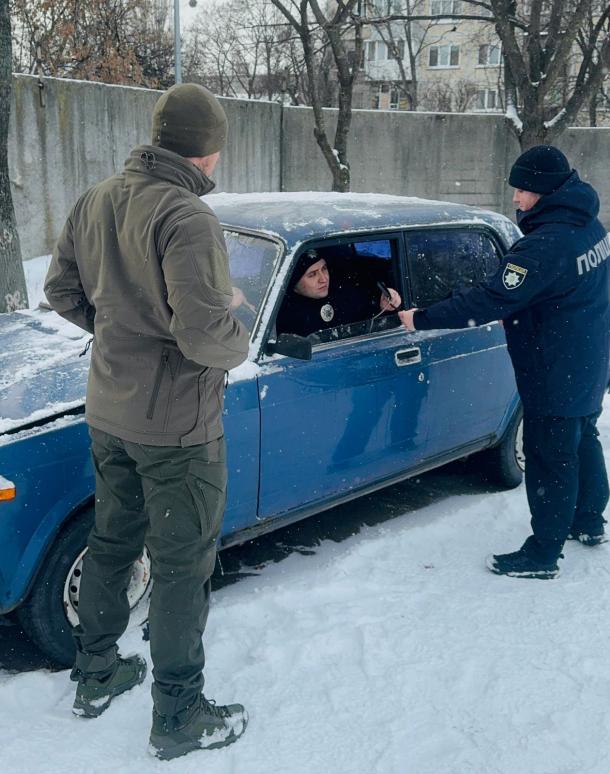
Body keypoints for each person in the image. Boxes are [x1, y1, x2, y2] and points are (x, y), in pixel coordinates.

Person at [44, 83, 250, 760]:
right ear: (210, 151)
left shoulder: (97, 197)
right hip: (177, 429)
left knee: (113, 539)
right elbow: (203, 334)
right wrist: (238, 330)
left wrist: (119, 332)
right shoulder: (187, 217)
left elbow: (61, 290)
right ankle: (178, 718)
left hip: (109, 409)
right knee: (180, 567)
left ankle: (97, 673)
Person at [399, 145, 610, 580]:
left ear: (545, 192)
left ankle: (543, 554)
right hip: (587, 359)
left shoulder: (544, 246)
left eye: (523, 190)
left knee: (551, 457)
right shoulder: (588, 226)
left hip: (554, 368)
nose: (515, 197)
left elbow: (491, 299)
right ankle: (589, 520)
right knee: (582, 437)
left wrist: (421, 317)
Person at [276, 249, 402, 337]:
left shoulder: (343, 292)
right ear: (294, 283)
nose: (323, 279)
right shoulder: (279, 313)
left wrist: (381, 303)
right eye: (312, 275)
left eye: (324, 269)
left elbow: (368, 315)